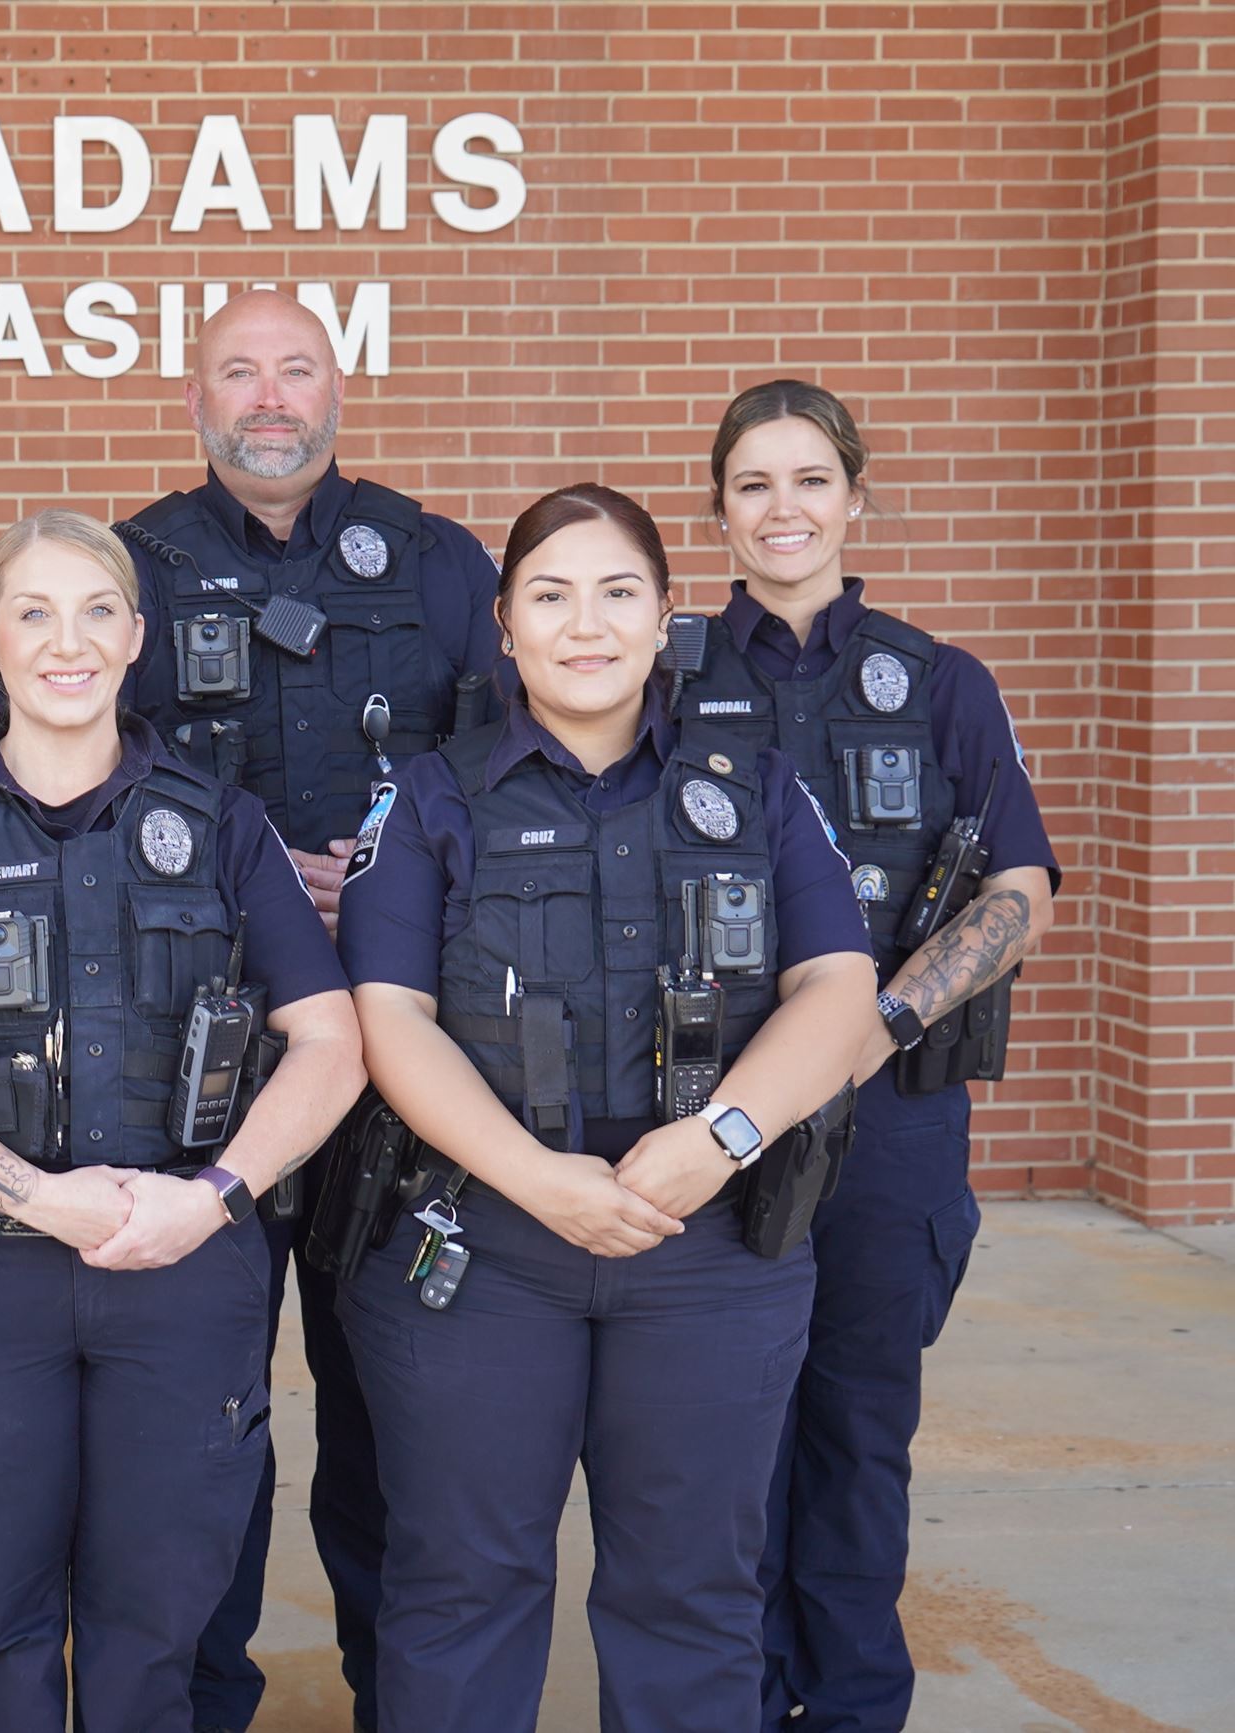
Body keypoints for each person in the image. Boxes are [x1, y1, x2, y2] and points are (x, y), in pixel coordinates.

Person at [336, 482, 878, 1729]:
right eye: (550, 595)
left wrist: (721, 1137)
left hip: (709, 1241)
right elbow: (387, 1018)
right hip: (480, 1245)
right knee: (459, 1587)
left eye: (617, 591)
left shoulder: (755, 785)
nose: (585, 624)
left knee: (689, 1590)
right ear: (502, 626)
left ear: (665, 616)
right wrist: (537, 1178)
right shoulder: (426, 797)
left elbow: (836, 987)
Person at [0, 508, 366, 1732]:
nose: (63, 642)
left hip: (180, 1266)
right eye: (32, 611)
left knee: (151, 1647)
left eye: (92, 612)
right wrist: (32, 1195)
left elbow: (329, 1040)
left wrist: (215, 1193)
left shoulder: (222, 823)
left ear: (135, 635)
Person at [115, 288, 505, 1733]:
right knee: (201, 1418)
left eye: (294, 370)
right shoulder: (132, 565)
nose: (268, 399)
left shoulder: (439, 561)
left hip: (410, 1060)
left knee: (400, 1408)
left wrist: (389, 864)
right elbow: (95, 775)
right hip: (204, 1061)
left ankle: (402, 1696)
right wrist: (257, 873)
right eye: (238, 372)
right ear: (194, 394)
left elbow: (503, 773)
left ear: (337, 385)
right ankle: (197, 1700)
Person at [671, 382, 1060, 1733]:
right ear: (716, 510)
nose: (784, 509)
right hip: (703, 1118)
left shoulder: (942, 682)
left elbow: (1019, 889)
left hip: (889, 1121)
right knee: (719, 1453)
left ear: (857, 498)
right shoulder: (661, 673)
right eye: (754, 484)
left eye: (810, 480)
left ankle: (847, 1711)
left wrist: (873, 1026)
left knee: (853, 1441)